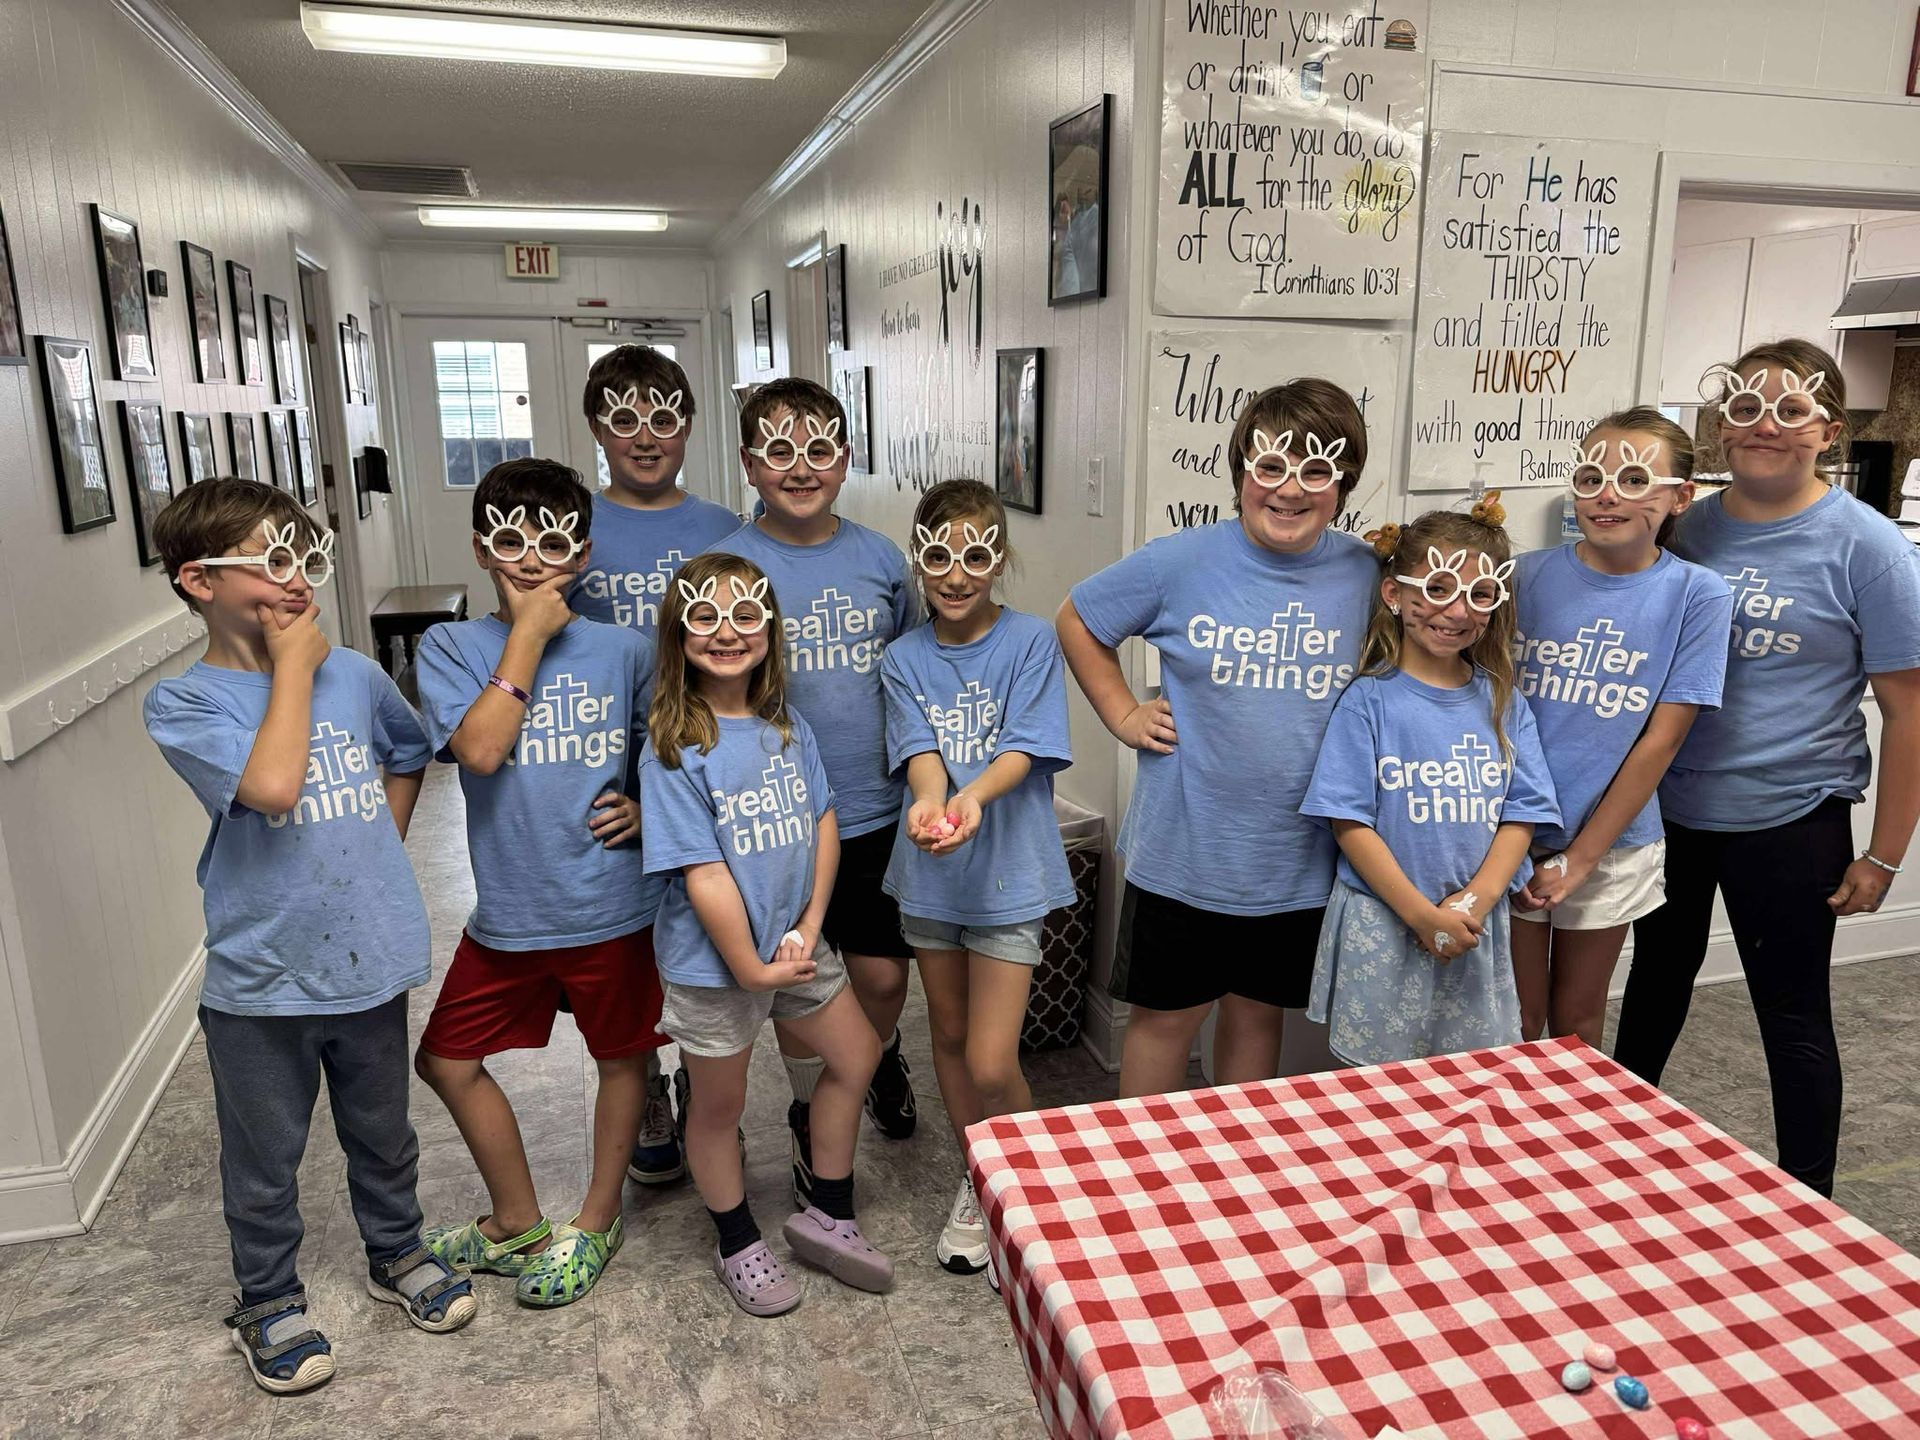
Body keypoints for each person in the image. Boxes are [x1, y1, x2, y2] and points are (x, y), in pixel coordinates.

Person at [145, 479, 475, 1394]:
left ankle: (396, 1250)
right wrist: (292, 668)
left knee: (383, 1132)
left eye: (307, 559)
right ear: (198, 581)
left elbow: (407, 752)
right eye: (274, 562)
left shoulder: (357, 676)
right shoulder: (185, 705)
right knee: (264, 1157)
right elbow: (273, 788)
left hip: (367, 955)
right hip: (262, 978)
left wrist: (380, 845)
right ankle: (267, 1297)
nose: (298, 581)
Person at [1616, 341, 1920, 1197]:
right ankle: (1611, 1171)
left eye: (1792, 411)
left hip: (1792, 816)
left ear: (1830, 429)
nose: (1765, 427)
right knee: (1650, 996)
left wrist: (1885, 854)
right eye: (1747, 407)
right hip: (1672, 809)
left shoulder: (1869, 548)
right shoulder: (1686, 528)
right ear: (1721, 421)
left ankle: (1812, 1205)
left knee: (1792, 1017)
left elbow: (1908, 711)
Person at [1058, 379, 1379, 1096]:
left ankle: (1238, 1152)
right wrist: (1123, 714)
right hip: (1186, 848)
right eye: (1270, 467)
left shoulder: (1365, 575)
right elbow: (1078, 619)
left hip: (1296, 858)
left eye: (1315, 471)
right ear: (1239, 473)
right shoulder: (1179, 562)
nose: (1289, 490)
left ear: (1344, 484)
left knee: (1257, 1014)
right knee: (1166, 1020)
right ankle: (1146, 1155)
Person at [413, 458, 664, 1306]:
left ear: (581, 555)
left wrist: (648, 808)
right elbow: (481, 750)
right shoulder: (450, 647)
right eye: (511, 541)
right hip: (511, 911)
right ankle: (516, 1220)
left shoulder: (625, 650)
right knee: (446, 1060)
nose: (530, 559)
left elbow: (663, 751)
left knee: (621, 1058)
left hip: (610, 904)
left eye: (552, 544)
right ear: (482, 548)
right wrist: (526, 636)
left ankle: (596, 1219)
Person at [641, 552, 891, 1316]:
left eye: (744, 614)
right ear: (678, 633)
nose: (727, 632)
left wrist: (809, 927)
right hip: (716, 968)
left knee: (858, 1056)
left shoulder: (788, 726)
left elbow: (824, 823)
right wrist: (749, 968)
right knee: (721, 1108)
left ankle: (829, 1212)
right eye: (706, 617)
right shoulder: (675, 744)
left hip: (795, 947)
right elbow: (704, 872)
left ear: (770, 628)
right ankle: (737, 1241)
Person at [705, 378, 921, 1205]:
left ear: (846, 457)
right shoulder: (729, 567)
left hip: (874, 808)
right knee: (798, 978)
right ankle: (809, 1109)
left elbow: (915, 668)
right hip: (774, 826)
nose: (801, 469)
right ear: (749, 463)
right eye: (779, 453)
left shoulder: (881, 560)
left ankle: (880, 1054)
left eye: (820, 450)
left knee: (882, 977)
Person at [881, 480, 1074, 1286]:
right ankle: (982, 1180)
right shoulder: (902, 658)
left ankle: (1025, 1191)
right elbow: (920, 754)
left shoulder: (1030, 642)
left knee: (994, 1061)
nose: (956, 576)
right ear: (918, 561)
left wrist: (973, 800)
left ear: (1000, 559)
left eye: (975, 557)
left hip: (1009, 878)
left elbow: (1024, 746)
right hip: (931, 881)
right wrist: (933, 801)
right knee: (952, 1038)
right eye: (938, 557)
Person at [1301, 496, 1560, 1065]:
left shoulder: (1504, 703)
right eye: (1438, 588)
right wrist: (1422, 916)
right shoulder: (1368, 702)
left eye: (1479, 594)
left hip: (1473, 928)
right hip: (1384, 923)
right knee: (1376, 1084)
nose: (1457, 610)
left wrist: (1472, 902)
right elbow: (1348, 822)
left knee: (1468, 1077)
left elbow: (1522, 815)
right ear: (1395, 594)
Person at [570, 343, 741, 1187]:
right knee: (627, 945)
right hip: (606, 766)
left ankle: (703, 1080)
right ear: (597, 428)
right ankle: (646, 1088)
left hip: (706, 759)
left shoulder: (724, 529)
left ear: (688, 427)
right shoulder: (576, 531)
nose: (645, 436)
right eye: (624, 419)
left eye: (664, 418)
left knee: (707, 927)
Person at [1509, 410, 1733, 1048]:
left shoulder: (1698, 595)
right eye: (1591, 478)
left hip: (1612, 845)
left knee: (1576, 1022)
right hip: (1507, 834)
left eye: (1634, 480)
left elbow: (1662, 739)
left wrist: (1581, 859)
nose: (1607, 495)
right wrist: (1506, 840)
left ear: (1680, 496)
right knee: (1514, 1018)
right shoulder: (1521, 576)